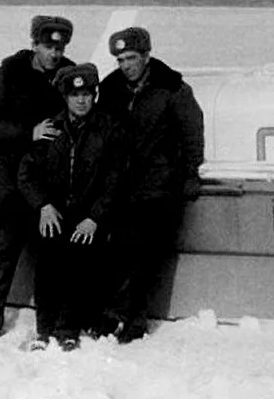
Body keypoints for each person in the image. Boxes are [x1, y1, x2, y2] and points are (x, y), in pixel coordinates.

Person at [98, 26, 205, 342]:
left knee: (143, 256)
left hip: (159, 188)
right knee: (117, 252)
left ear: (146, 56)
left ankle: (134, 319)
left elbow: (192, 136)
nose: (125, 65)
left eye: (131, 58)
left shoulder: (172, 89)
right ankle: (113, 313)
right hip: (120, 187)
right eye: (120, 60)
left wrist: (189, 176)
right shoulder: (111, 89)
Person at [0, 14, 73, 338]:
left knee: (51, 262)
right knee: (3, 258)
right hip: (13, 185)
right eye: (48, 47)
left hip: (49, 188)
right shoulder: (8, 74)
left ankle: (49, 327)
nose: (55, 55)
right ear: (34, 44)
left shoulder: (69, 74)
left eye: (59, 48)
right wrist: (27, 133)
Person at [18, 62, 129, 351]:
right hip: (54, 212)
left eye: (87, 94)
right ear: (66, 97)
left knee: (78, 265)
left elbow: (115, 180)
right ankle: (44, 330)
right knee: (47, 265)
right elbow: (27, 173)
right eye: (75, 95)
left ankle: (67, 330)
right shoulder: (51, 129)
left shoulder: (108, 130)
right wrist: (42, 205)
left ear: (94, 96)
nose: (81, 100)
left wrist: (95, 217)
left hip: (89, 217)